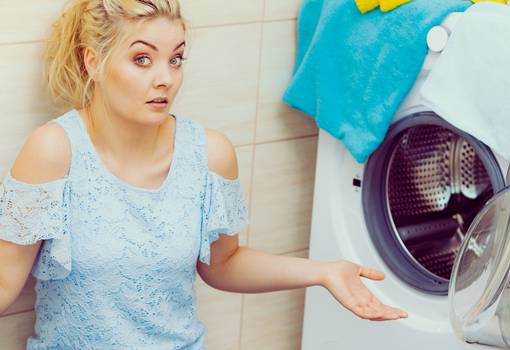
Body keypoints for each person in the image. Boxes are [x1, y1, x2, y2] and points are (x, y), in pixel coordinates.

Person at [0, 0, 408, 348]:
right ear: (94, 61)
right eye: (142, 59)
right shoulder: (54, 151)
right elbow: (4, 283)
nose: (166, 78)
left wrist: (323, 271)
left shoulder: (209, 153)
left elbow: (223, 264)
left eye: (175, 59)